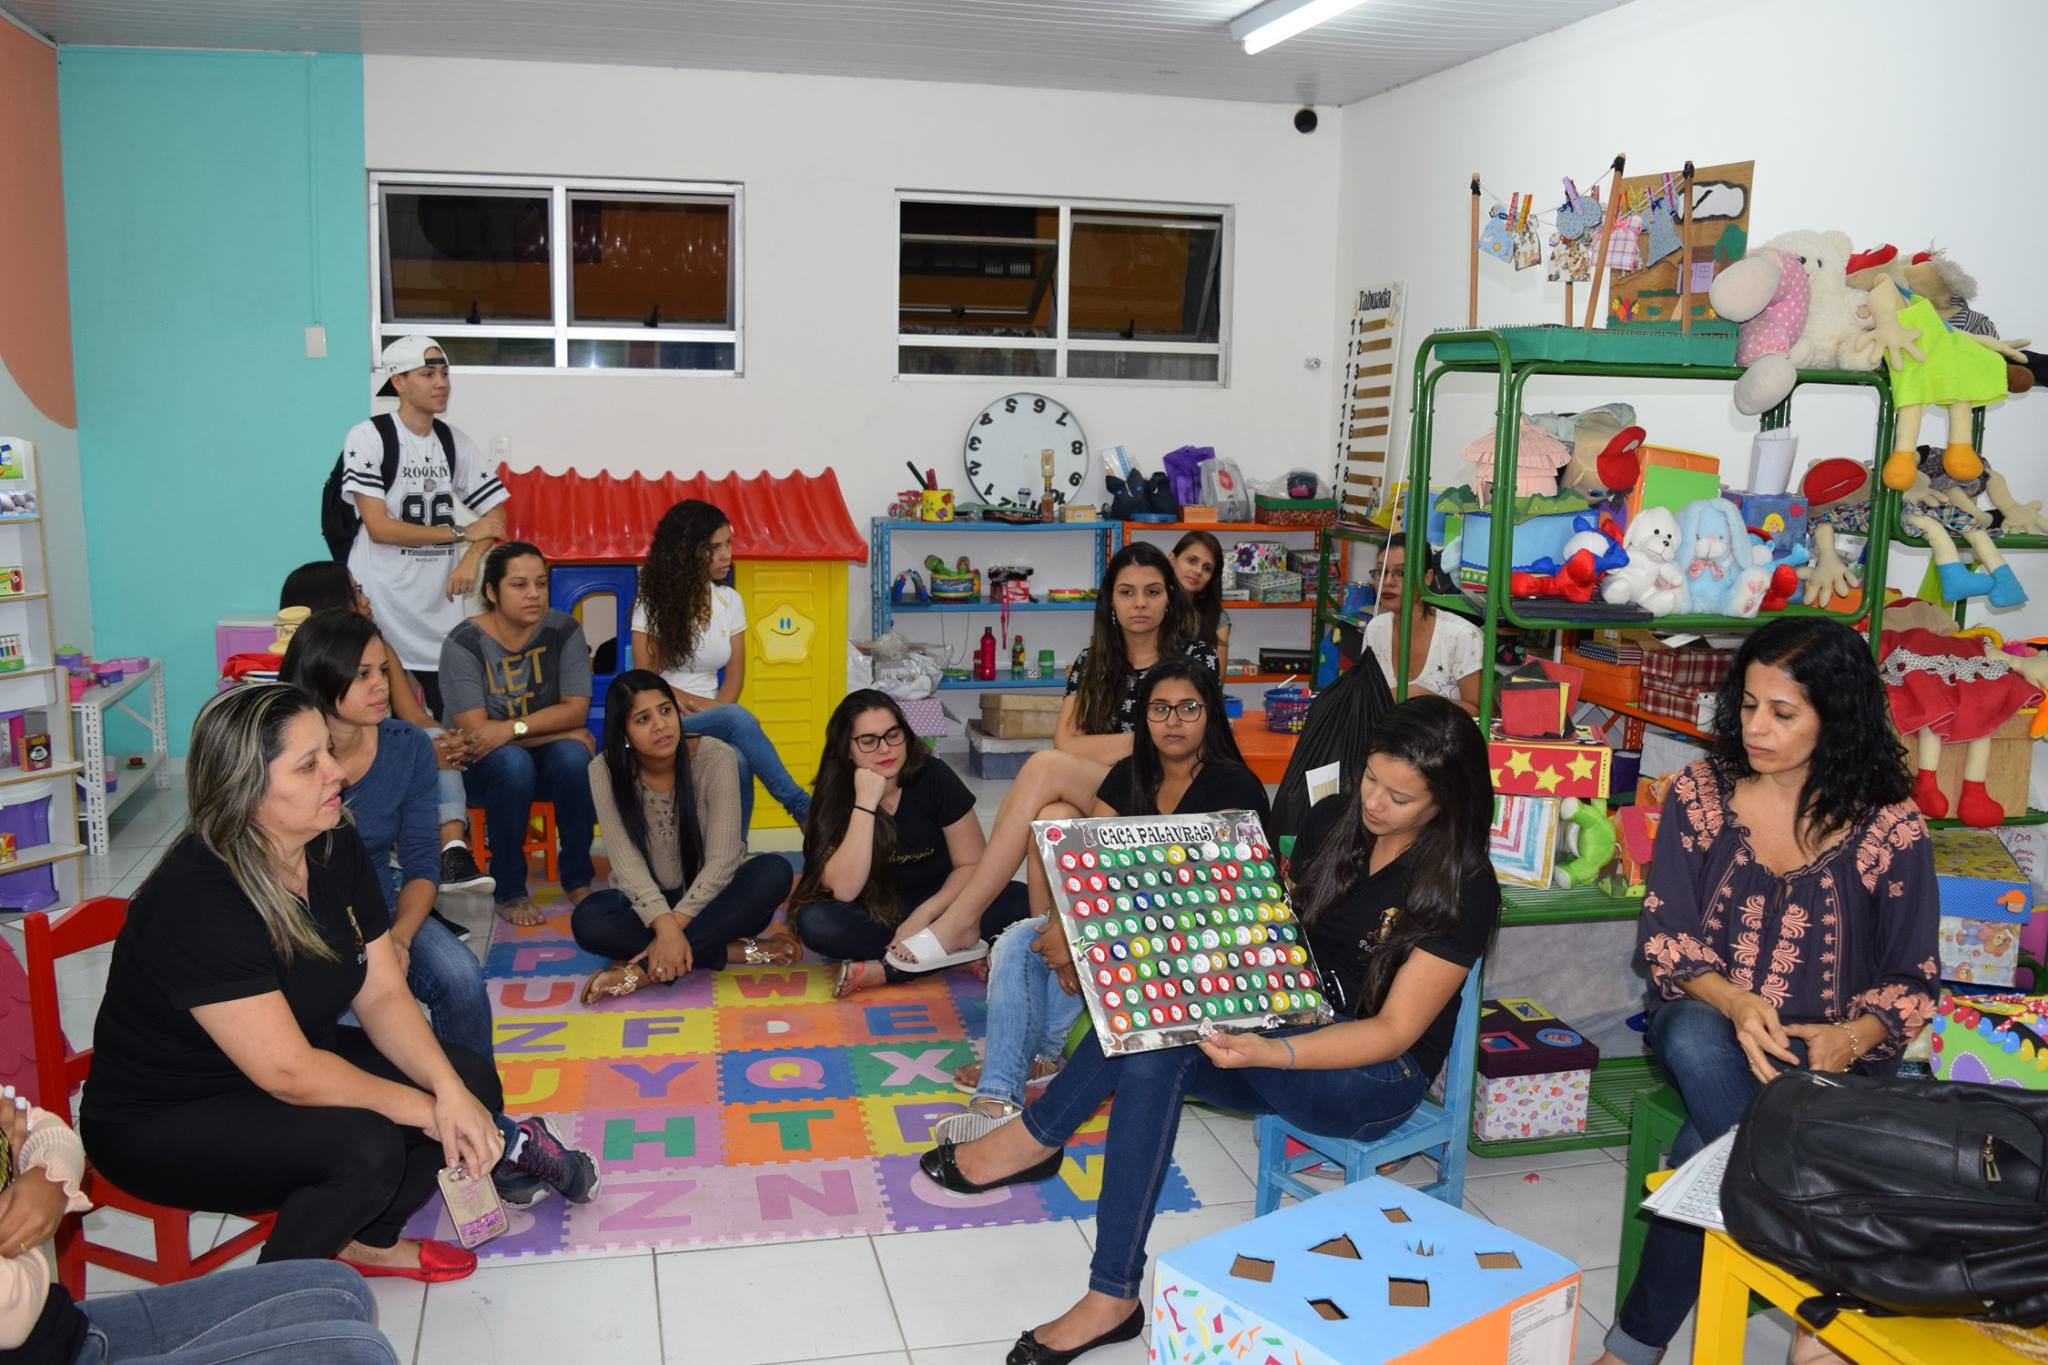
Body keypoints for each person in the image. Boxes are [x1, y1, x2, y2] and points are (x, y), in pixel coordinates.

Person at [923, 697, 1499, 1364]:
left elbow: (1394, 1031)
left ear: (1445, 802)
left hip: (1371, 1075)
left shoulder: (1464, 883)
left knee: (1163, 1033)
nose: (1373, 801)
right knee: (1153, 1041)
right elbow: (1275, 939)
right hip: (1283, 1022)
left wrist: (1271, 1051)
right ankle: (1112, 1295)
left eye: (1399, 797)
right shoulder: (1333, 821)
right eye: (1370, 777)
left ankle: (1034, 1140)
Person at [79, 685, 597, 1284]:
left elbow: (381, 992)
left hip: (289, 1061)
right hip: (168, 1114)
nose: (338, 772)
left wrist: (448, 1092)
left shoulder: (332, 839)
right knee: (368, 1146)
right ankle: (267, 1303)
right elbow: (289, 1073)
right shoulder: (199, 896)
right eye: (309, 764)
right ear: (245, 789)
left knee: (471, 1079)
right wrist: (432, 1110)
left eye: (328, 750)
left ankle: (364, 1241)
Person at [1594, 618, 1938, 1365]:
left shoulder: (1891, 825)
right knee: (1692, 1036)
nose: (1756, 728)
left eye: (1783, 713)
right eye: (1748, 705)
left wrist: (1850, 1037)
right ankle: (1820, 1261)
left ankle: (1628, 1352)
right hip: (1709, 1017)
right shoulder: (1701, 792)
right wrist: (1737, 1002)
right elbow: (1666, 938)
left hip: (1829, 1056)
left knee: (1707, 1150)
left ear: (1835, 716)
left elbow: (1912, 977)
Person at [939, 659, 1273, 1146]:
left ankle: (1042, 1055)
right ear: (1144, 717)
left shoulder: (1234, 787)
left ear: (1211, 715)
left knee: (1075, 939)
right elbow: (1084, 866)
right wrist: (1066, 927)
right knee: (1021, 940)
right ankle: (997, 1100)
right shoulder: (1129, 774)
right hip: (1124, 927)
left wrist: (1086, 937)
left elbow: (1201, 906)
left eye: (1188, 708)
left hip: (1203, 950)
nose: (1173, 721)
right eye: (1160, 709)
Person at [886, 542, 1220, 971]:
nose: (1140, 603)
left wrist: (1127, 744)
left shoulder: (1196, 657)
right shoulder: (1092, 662)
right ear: (1111, 601)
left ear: (1170, 598)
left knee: (1045, 766)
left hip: (1169, 793)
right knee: (1052, 816)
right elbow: (1067, 742)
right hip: (1108, 791)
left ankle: (963, 919)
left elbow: (1193, 740)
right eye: (1127, 592)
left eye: (1152, 591)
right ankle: (1043, 945)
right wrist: (1144, 739)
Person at [0, 1089, 397, 1364]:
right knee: (359, 1354)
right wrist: (29, 1207)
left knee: (339, 1289)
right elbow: (11, 1316)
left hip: (64, 1331)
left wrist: (48, 1179)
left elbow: (43, 1127)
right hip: (31, 1335)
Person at [280, 609, 493, 1066]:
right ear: (322, 674)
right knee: (355, 1027)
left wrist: (399, 937)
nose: (381, 686)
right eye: (362, 675)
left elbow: (421, 860)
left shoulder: (407, 745)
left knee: (462, 977)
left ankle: (479, 1100)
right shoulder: (282, 755)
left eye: (383, 671)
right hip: (305, 922)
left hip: (383, 908)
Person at [572, 671, 800, 1002]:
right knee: (588, 920)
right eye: (643, 719)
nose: (660, 725)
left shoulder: (717, 757)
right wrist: (662, 924)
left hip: (712, 901)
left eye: (666, 711)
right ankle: (732, 951)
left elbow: (723, 860)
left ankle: (641, 973)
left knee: (774, 872)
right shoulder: (603, 771)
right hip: (648, 907)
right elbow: (626, 864)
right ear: (624, 733)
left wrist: (673, 926)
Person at [790, 690, 1032, 996]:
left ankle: (892, 969)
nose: (885, 749)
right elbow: (843, 891)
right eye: (868, 741)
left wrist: (926, 917)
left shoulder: (934, 775)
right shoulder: (834, 793)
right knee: (816, 923)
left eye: (893, 735)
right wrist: (865, 803)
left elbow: (972, 864)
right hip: (875, 913)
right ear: (846, 749)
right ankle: (948, 954)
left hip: (945, 907)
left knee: (1021, 900)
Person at [279, 560, 489, 900]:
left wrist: (446, 741)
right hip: (314, 903)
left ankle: (453, 850)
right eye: (355, 592)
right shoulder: (287, 745)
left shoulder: (381, 651)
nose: (365, 600)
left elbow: (414, 718)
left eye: (383, 672)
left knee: (432, 739)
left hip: (379, 901)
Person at [340, 335, 509, 720]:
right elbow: (380, 528)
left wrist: (471, 558)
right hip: (382, 602)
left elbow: (496, 516)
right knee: (384, 720)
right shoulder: (369, 437)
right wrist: (463, 534)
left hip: (439, 606)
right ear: (398, 381)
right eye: (428, 374)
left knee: (454, 722)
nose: (441, 383)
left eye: (444, 374)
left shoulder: (453, 441)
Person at [440, 542, 599, 927]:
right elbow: (478, 737)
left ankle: (578, 879)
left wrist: (512, 728)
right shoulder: (464, 643)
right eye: (519, 584)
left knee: (574, 758)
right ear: (491, 592)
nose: (534, 594)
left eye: (541, 584)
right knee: (514, 763)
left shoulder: (563, 630)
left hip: (533, 757)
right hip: (479, 769)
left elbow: (576, 709)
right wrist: (560, 729)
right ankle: (509, 891)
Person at [631, 499, 811, 832]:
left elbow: (735, 678)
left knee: (738, 760)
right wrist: (719, 713)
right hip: (664, 715)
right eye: (715, 547)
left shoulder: (731, 601)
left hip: (714, 717)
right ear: (687, 552)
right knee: (737, 719)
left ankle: (734, 851)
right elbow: (644, 679)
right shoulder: (651, 605)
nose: (727, 554)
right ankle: (803, 808)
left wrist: (719, 715)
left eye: (728, 543)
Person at [1362, 533, 1484, 715]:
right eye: (1381, 572)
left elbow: (1481, 714)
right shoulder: (1375, 629)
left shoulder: (1462, 636)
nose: (1387, 582)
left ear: (1427, 577)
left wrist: (1423, 700)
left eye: (1401, 573)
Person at [1169, 531, 1232, 674]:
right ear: (1172, 559)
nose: (1198, 571)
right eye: (1192, 561)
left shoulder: (1218, 619)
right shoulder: (1153, 607)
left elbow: (1217, 680)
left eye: (1207, 568)